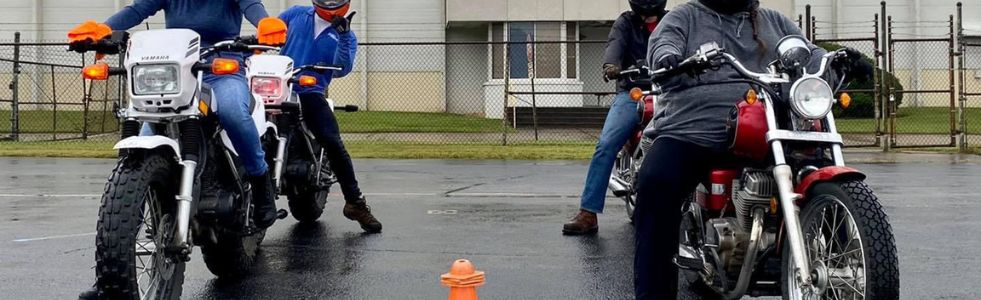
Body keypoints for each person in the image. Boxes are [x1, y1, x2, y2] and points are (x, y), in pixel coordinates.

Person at [634, 0, 874, 298]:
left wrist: (838, 62)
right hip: (693, 128)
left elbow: (807, 54)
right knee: (657, 182)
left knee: (818, 168)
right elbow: (664, 44)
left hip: (769, 128)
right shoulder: (685, 17)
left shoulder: (775, 22)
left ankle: (846, 269)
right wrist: (667, 58)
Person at [71, 0, 285, 299]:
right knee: (145, 133)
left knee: (235, 113)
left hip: (219, 68)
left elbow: (251, 5)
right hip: (176, 69)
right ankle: (112, 276)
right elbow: (137, 10)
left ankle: (260, 183)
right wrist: (104, 28)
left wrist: (264, 22)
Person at [563, 0, 667, 235]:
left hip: (668, 92)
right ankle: (588, 212)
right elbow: (615, 46)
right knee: (606, 144)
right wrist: (611, 65)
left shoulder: (672, 21)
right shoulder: (625, 23)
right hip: (633, 92)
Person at [277, 0, 382, 233]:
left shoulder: (347, 36)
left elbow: (343, 68)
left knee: (332, 141)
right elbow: (269, 34)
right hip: (277, 87)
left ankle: (355, 202)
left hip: (309, 90)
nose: (330, 3)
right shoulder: (296, 14)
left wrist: (343, 36)